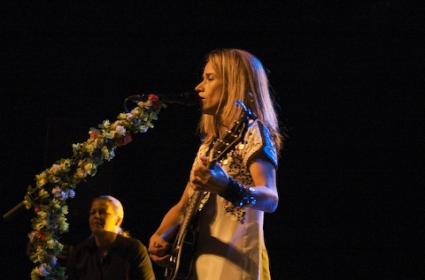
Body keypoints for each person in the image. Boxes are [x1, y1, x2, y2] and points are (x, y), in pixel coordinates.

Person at [148, 48, 283, 279]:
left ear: (234, 84)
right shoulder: (209, 146)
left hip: (236, 260)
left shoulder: (253, 132)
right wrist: (161, 234)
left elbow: (270, 199)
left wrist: (228, 187)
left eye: (210, 78)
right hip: (200, 262)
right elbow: (185, 204)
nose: (199, 87)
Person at [67, 195, 156, 280]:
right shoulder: (79, 252)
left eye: (102, 212)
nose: (96, 216)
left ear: (118, 220)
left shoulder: (134, 249)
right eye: (92, 212)